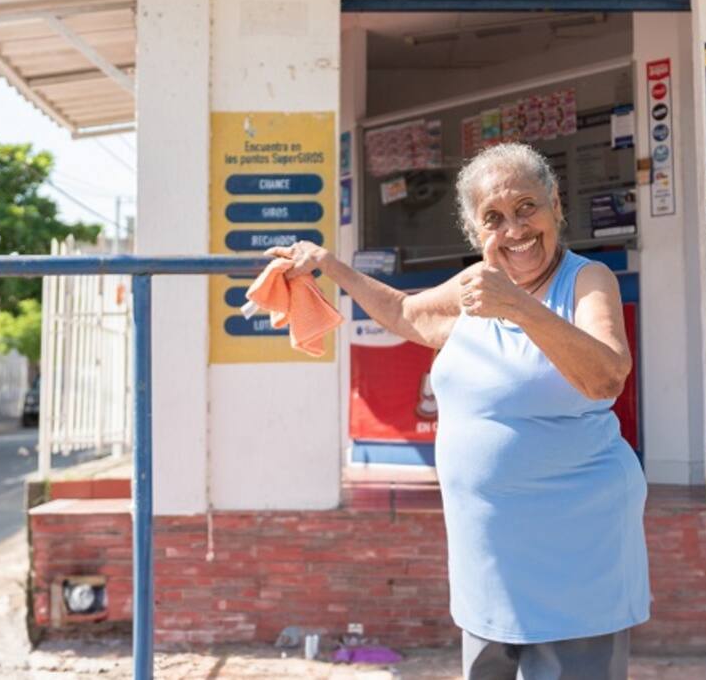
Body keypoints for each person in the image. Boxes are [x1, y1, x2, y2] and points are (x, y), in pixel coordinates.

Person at [264, 142, 650, 680]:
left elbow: (606, 374)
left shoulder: (587, 282)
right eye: (493, 218)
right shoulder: (474, 290)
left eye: (526, 208)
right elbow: (403, 312)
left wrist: (518, 305)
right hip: (487, 564)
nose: (514, 229)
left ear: (556, 205)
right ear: (474, 232)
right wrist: (329, 266)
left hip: (575, 559)